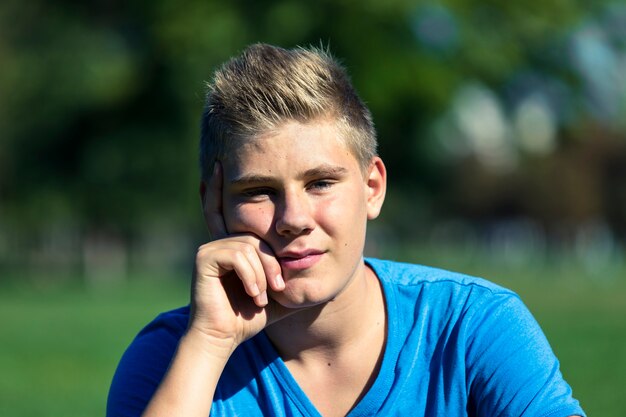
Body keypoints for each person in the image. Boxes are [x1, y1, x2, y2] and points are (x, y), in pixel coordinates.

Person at [107, 43, 585, 417]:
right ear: (215, 205)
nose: (293, 217)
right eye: (258, 191)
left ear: (372, 187)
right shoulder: (171, 357)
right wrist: (209, 343)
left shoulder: (473, 327)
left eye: (320, 183)